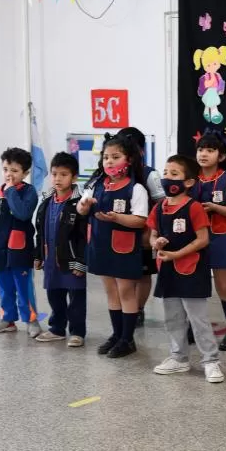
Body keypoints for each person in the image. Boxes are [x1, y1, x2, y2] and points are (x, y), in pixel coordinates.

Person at [147, 155, 224, 383]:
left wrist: (176, 255)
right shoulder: (159, 207)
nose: (167, 177)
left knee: (197, 319)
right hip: (167, 271)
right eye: (166, 172)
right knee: (173, 318)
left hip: (192, 270)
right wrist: (156, 242)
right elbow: (152, 234)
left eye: (174, 174)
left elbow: (203, 239)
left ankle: (211, 361)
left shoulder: (194, 208)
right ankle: (179, 358)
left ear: (188, 182)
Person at [77, 132, 149, 358]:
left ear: (128, 160)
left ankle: (128, 339)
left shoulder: (136, 189)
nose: (109, 161)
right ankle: (117, 334)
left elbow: (140, 220)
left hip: (124, 247)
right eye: (106, 157)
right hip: (100, 245)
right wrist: (85, 207)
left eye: (115, 156)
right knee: (111, 291)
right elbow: (80, 209)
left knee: (126, 291)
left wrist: (116, 218)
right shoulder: (95, 184)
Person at [0, 148, 42, 337]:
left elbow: (22, 213)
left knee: (23, 286)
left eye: (14, 171)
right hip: (0, 248)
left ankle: (31, 319)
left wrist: (11, 191)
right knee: (4, 286)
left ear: (25, 173)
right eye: (5, 169)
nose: (9, 175)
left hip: (20, 249)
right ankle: (7, 319)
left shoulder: (29, 192)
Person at [193, 129, 226, 350]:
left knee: (223, 285)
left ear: (221, 156)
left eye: (210, 150)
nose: (204, 154)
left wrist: (214, 207)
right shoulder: (191, 178)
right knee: (195, 285)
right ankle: (191, 329)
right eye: (201, 149)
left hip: (220, 238)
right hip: (195, 239)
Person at [33, 152, 87, 346]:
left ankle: (77, 332)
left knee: (76, 298)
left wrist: (81, 262)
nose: (57, 178)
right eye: (55, 174)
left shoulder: (80, 203)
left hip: (72, 260)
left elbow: (84, 236)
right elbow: (40, 229)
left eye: (63, 174)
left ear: (74, 177)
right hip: (50, 258)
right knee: (53, 294)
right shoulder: (47, 200)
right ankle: (57, 328)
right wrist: (38, 254)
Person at [117, 127, 164, 327]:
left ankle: (138, 309)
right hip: (120, 233)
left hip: (143, 233)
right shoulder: (114, 174)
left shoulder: (150, 174)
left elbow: (162, 204)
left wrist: (151, 230)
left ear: (141, 151)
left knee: (144, 274)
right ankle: (125, 308)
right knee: (124, 274)